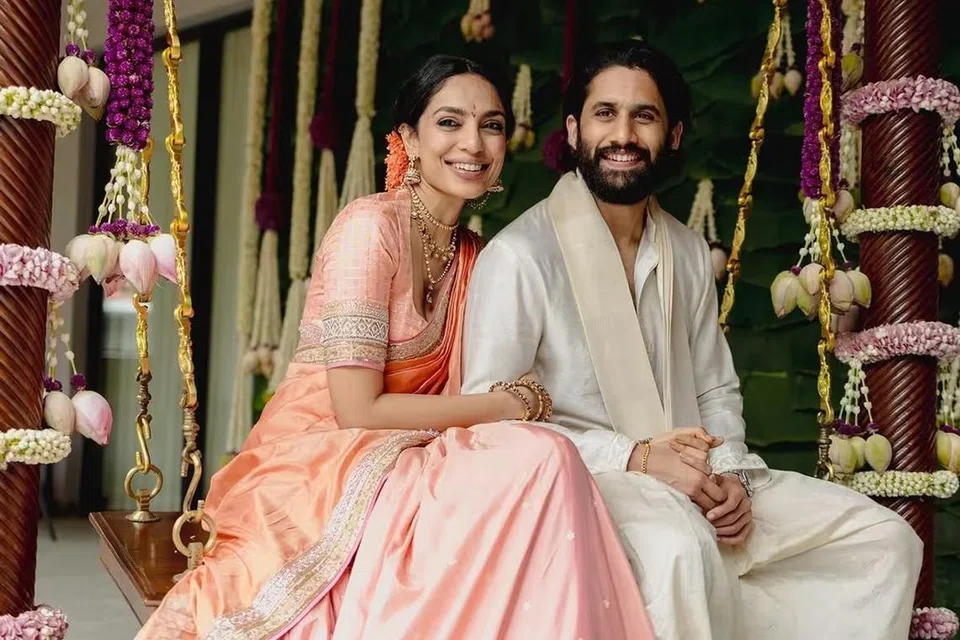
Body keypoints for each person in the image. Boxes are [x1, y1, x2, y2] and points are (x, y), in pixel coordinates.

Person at [139, 55, 657, 640]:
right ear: (409, 138)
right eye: (449, 122)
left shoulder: (476, 256)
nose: (473, 143)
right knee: (541, 455)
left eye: (490, 125)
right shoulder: (370, 229)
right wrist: (507, 405)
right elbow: (356, 408)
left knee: (542, 458)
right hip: (321, 455)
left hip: (419, 448)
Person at [461, 40, 923, 640]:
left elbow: (714, 388)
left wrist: (731, 477)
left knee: (883, 539)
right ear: (573, 131)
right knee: (681, 552)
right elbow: (492, 425)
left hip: (701, 476)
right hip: (592, 484)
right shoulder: (521, 257)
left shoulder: (684, 249)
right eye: (605, 114)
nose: (623, 135)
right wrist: (633, 457)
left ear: (673, 134)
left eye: (644, 116)